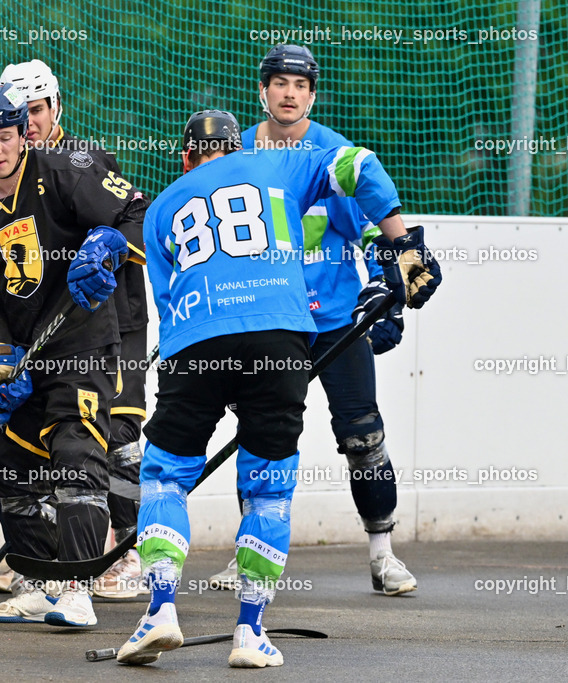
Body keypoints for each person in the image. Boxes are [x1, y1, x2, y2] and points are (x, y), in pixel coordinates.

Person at [116, 110, 441, 667]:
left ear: (187, 158)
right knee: (268, 487)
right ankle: (250, 634)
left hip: (196, 339)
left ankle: (160, 611)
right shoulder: (279, 166)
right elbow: (359, 165)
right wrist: (403, 246)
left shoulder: (163, 204)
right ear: (239, 148)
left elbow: (168, 306)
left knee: (166, 475)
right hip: (280, 339)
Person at [208, 44, 416, 596]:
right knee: (260, 436)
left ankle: (383, 554)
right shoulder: (237, 153)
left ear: (312, 95)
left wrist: (387, 292)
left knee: (363, 434)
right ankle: (249, 556)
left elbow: (369, 227)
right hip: (270, 322)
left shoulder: (334, 152)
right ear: (263, 91)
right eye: (279, 82)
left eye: (300, 85)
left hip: (338, 322)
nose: (289, 93)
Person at [0, 83, 147, 627]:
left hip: (82, 341)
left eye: (5, 137)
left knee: (77, 450)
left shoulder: (66, 171)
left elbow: (135, 212)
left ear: (22, 134)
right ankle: (37, 583)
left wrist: (107, 245)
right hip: (23, 355)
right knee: (11, 462)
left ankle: (76, 587)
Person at [0, 59, 149, 599]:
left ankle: (126, 552)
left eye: (38, 109)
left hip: (115, 320)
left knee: (119, 436)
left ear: (56, 107)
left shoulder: (81, 160)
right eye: (22, 112)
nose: (31, 121)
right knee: (37, 439)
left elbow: (139, 217)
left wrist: (110, 243)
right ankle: (50, 557)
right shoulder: (3, 174)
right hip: (52, 332)